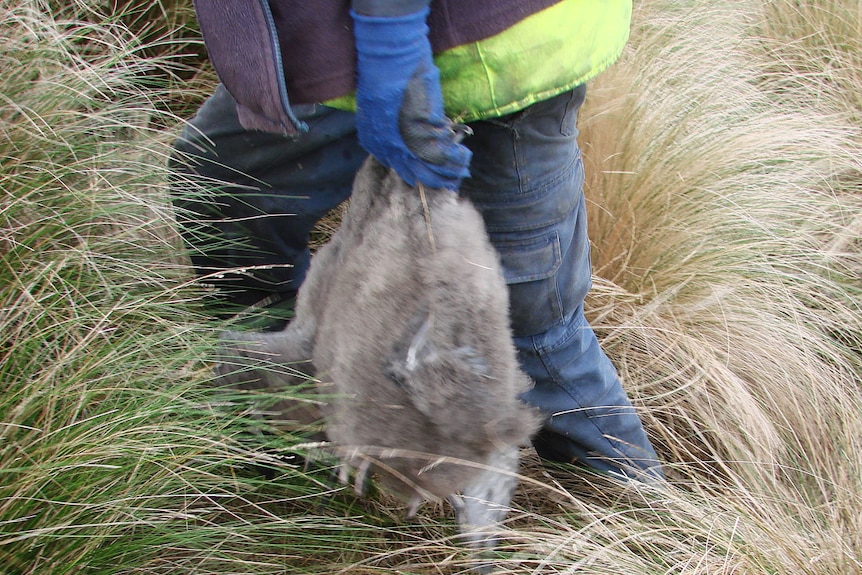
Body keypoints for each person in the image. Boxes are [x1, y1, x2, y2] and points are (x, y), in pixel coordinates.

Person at [170, 0, 665, 481]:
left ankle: (646, 531)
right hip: (330, 42)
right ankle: (306, 418)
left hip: (490, 51)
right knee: (219, 184)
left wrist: (393, 47)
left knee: (523, 320)